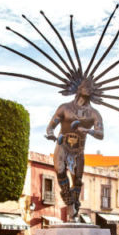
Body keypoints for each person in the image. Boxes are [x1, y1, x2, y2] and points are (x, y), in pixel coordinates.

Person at [45, 80, 104, 220]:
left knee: (77, 180)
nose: (89, 89)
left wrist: (87, 131)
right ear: (79, 88)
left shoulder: (94, 114)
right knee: (59, 170)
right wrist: (51, 134)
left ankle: (75, 202)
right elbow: (50, 126)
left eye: (91, 88)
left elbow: (101, 134)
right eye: (86, 86)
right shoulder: (64, 108)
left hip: (78, 150)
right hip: (62, 145)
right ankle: (69, 203)